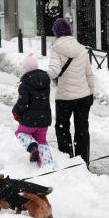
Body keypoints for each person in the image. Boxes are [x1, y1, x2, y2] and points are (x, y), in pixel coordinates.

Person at [47, 17, 95, 165]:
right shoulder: (82, 48)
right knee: (82, 129)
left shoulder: (57, 49)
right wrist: (91, 93)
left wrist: (41, 75)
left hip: (65, 98)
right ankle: (83, 162)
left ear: (56, 33)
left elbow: (54, 71)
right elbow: (89, 74)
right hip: (84, 96)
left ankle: (67, 160)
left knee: (62, 128)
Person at [12, 55, 54, 167]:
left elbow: (23, 102)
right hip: (44, 120)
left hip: (29, 120)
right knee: (42, 140)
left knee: (20, 133)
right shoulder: (45, 81)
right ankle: (48, 165)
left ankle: (32, 146)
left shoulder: (25, 84)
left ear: (25, 70)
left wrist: (16, 111)